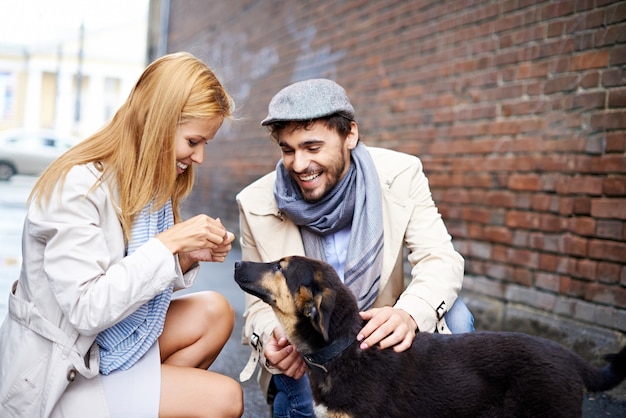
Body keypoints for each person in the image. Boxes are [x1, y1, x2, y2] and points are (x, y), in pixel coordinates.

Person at [0, 52, 244, 418]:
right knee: (224, 399)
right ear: (159, 122)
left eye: (205, 144)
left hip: (104, 349)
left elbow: (133, 276)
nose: (199, 158)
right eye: (194, 141)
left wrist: (184, 256)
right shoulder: (77, 186)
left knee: (216, 312)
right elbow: (87, 308)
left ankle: (141, 403)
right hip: (64, 373)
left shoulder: (147, 186)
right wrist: (168, 245)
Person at [236, 78, 474, 417]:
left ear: (350, 135)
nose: (300, 164)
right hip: (311, 347)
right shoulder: (256, 202)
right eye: (288, 150)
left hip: (378, 346)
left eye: (312, 147)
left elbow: (440, 259)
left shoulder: (401, 174)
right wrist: (272, 333)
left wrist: (408, 313)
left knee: (457, 316)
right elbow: (257, 307)